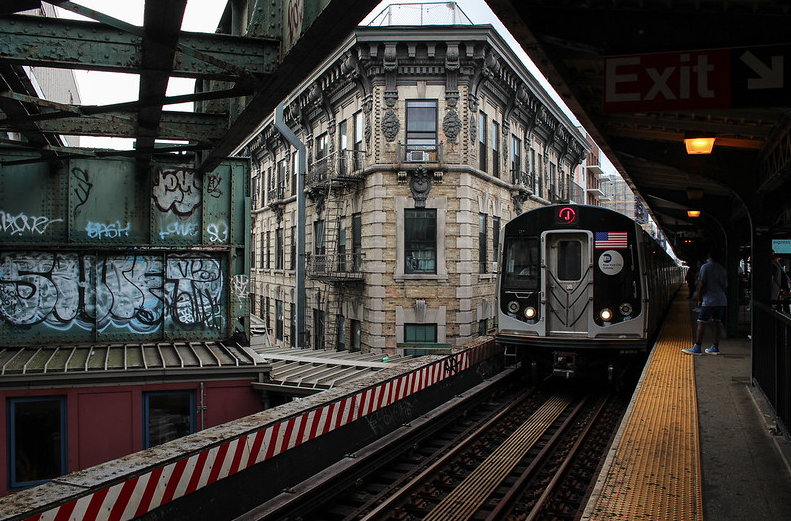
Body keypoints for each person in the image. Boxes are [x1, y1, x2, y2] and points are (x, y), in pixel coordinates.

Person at [683, 250, 727, 355]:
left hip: (709, 301)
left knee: (701, 322)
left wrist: (699, 299)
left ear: (709, 257)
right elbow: (725, 285)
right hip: (721, 300)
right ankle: (715, 347)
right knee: (717, 322)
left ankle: (697, 347)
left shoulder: (705, 267)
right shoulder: (722, 269)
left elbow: (701, 284)